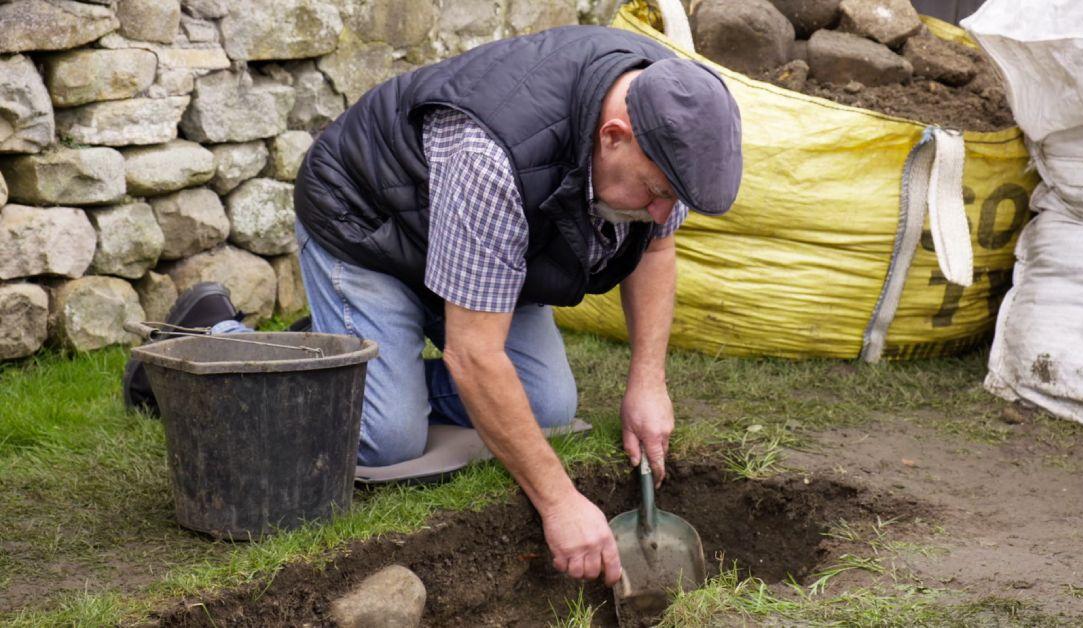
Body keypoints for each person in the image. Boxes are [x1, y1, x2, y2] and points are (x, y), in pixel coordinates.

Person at [124, 25, 742, 587]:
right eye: (657, 194)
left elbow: (655, 248)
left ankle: (346, 350)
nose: (663, 213)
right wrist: (560, 502)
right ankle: (213, 335)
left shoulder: (669, 110)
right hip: (371, 223)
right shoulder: (493, 154)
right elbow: (474, 357)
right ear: (613, 137)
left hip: (480, 252)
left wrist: (647, 382)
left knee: (550, 406)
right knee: (387, 437)